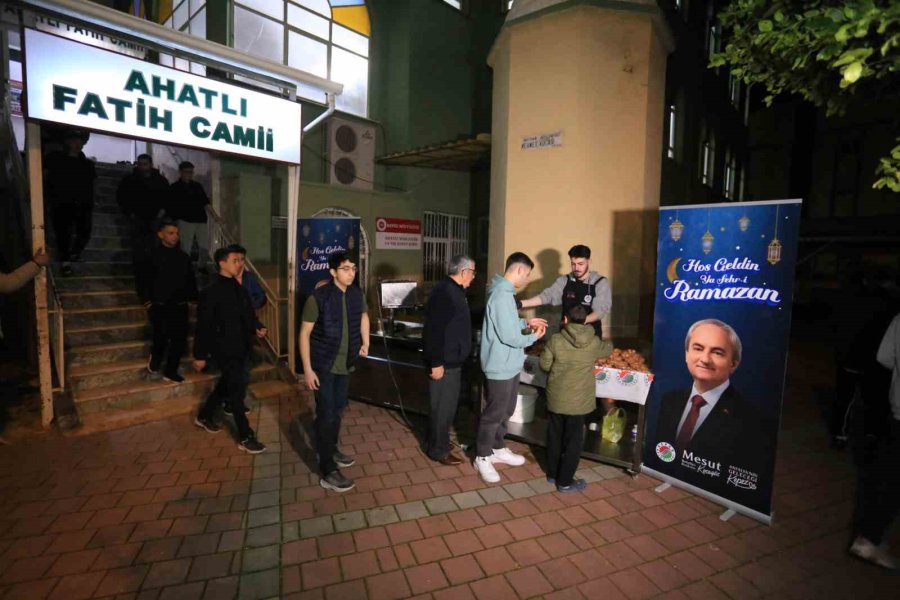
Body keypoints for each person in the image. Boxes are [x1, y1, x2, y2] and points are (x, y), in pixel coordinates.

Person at [299, 251, 370, 493]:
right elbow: (304, 334)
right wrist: (308, 370)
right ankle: (327, 468)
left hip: (345, 364)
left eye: (353, 268)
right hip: (324, 365)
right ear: (333, 272)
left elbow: (363, 316)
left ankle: (329, 446)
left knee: (338, 410)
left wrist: (366, 341)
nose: (351, 273)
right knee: (327, 413)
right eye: (345, 268)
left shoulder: (356, 294)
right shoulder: (318, 298)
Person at [476, 252, 547, 484]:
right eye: (526, 275)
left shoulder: (506, 294)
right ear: (518, 270)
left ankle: (498, 448)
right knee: (494, 413)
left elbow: (507, 323)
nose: (526, 279)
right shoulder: (500, 295)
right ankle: (482, 456)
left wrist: (525, 323)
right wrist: (533, 337)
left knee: (506, 410)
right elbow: (508, 336)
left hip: (510, 364)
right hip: (499, 365)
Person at [192, 247, 268, 454]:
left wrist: (256, 327)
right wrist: (199, 355)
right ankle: (246, 435)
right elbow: (203, 325)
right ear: (222, 263)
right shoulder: (211, 290)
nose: (240, 264)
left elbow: (247, 314)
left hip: (242, 345)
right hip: (224, 348)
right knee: (235, 392)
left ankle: (205, 415)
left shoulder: (239, 287)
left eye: (242, 260)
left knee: (227, 384)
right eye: (236, 260)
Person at [539, 304, 612, 492]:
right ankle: (564, 482)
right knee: (573, 441)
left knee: (555, 436)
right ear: (586, 320)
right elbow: (607, 350)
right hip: (579, 403)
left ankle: (552, 474)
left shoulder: (555, 340)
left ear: (565, 320)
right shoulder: (594, 342)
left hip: (556, 397)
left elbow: (545, 365)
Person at [848, 310, 900, 570]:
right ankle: (871, 538)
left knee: (886, 478)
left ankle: (869, 536)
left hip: (897, 412)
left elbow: (884, 358)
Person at [422, 254, 476, 466]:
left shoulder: (455, 291)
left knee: (446, 407)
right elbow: (434, 331)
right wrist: (436, 363)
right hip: (443, 362)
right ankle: (438, 450)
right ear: (464, 272)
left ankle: (438, 441)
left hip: (452, 361)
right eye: (473, 272)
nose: (474, 277)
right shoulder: (445, 293)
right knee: (442, 408)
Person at [137, 220, 197, 383]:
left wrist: (191, 298)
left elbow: (190, 279)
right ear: (160, 234)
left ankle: (171, 371)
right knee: (161, 337)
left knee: (179, 339)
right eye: (171, 233)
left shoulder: (183, 257)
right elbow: (143, 280)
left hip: (179, 304)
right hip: (160, 304)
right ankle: (155, 360)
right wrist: (147, 300)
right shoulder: (151, 255)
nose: (175, 236)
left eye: (176, 233)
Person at [518, 244, 611, 338]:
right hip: (566, 336)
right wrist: (521, 303)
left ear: (589, 261)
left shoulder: (600, 282)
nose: (576, 268)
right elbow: (547, 296)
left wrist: (579, 321)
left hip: (591, 337)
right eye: (573, 264)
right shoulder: (565, 280)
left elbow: (600, 311)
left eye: (580, 264)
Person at [43, 130, 96, 276]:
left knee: (84, 231)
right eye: (74, 140)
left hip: (83, 203)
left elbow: (91, 185)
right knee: (63, 233)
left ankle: (73, 254)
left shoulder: (87, 164)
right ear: (67, 141)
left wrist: (90, 203)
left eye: (80, 140)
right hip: (61, 201)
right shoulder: (55, 158)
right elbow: (46, 178)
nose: (77, 143)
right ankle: (65, 261)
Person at [116, 153, 169, 271]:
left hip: (155, 217)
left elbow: (167, 197)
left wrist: (162, 212)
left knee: (154, 243)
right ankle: (140, 268)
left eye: (145, 164)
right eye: (140, 164)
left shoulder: (160, 180)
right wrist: (129, 212)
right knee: (138, 244)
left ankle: (153, 267)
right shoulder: (130, 179)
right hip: (137, 217)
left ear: (150, 164)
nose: (142, 167)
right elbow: (121, 196)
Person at [166, 161, 210, 273]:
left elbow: (205, 202)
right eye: (187, 172)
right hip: (185, 220)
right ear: (181, 172)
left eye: (191, 172)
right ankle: (185, 266)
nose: (189, 174)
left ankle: (202, 266)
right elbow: (170, 205)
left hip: (200, 219)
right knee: (186, 246)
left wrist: (215, 216)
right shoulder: (175, 187)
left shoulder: (197, 186)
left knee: (204, 245)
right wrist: (174, 218)